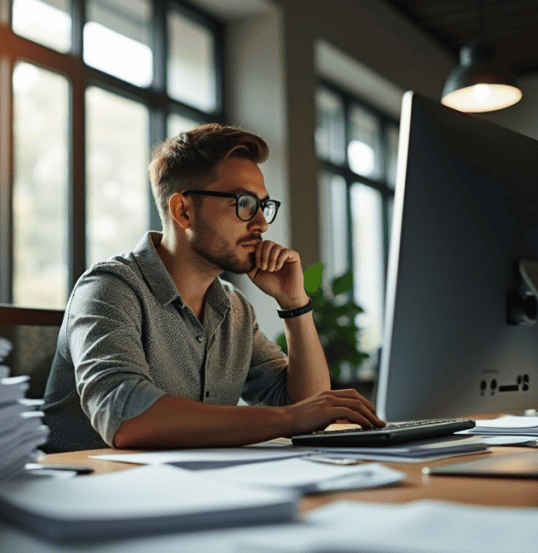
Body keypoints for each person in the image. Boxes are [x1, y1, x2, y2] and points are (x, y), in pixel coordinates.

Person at [41, 123, 384, 451]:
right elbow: (127, 418)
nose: (262, 223)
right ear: (183, 211)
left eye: (263, 205)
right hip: (93, 495)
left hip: (192, 494)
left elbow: (307, 408)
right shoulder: (109, 289)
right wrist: (291, 418)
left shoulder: (233, 308)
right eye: (244, 204)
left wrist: (294, 303)